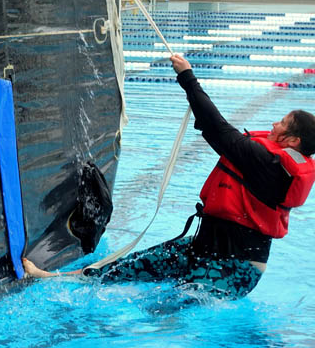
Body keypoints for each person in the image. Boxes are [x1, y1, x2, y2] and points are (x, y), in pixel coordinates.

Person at [23, 53, 315, 299]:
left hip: (234, 269)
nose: (274, 123)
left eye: (283, 123)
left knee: (166, 308)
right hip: (202, 250)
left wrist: (186, 76)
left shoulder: (269, 165)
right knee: (126, 267)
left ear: (292, 142)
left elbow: (217, 129)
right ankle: (50, 278)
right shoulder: (268, 159)